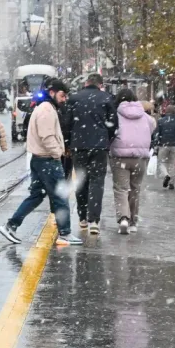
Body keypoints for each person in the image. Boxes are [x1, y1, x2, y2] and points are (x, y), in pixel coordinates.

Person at [0, 78, 83, 246]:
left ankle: (11, 225)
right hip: (47, 160)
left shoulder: (44, 107)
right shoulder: (46, 109)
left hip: (40, 160)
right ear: (52, 93)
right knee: (60, 196)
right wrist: (57, 153)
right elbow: (47, 136)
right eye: (62, 95)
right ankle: (65, 233)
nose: (64, 99)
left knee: (37, 195)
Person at [67, 73, 117, 235]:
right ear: (100, 85)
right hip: (99, 146)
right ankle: (94, 220)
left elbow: (66, 123)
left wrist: (69, 142)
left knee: (81, 181)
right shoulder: (106, 98)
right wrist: (106, 139)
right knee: (97, 182)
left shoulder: (74, 98)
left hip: (78, 145)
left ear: (86, 83)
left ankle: (82, 216)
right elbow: (113, 125)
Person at [110, 89, 156, 235]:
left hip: (120, 157)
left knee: (121, 189)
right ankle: (133, 222)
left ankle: (123, 218)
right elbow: (153, 127)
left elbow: (110, 132)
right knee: (135, 189)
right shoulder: (145, 116)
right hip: (140, 157)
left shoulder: (115, 114)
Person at [155, 105, 175, 190]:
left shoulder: (161, 121)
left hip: (163, 145)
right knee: (172, 164)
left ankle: (166, 175)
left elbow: (157, 134)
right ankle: (171, 182)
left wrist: (155, 145)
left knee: (161, 162)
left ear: (166, 111)